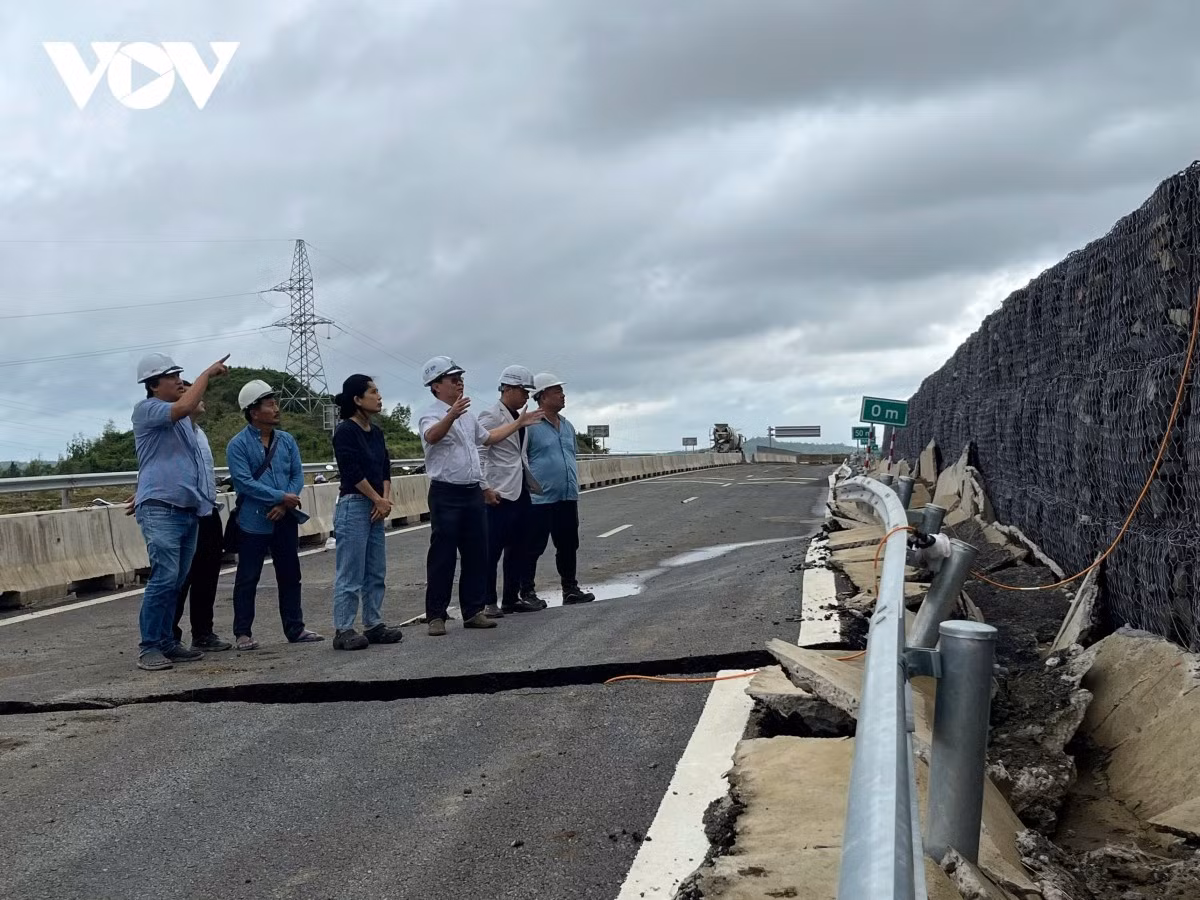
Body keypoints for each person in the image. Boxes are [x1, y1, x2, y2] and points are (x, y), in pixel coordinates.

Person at [418, 356, 544, 636]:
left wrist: (519, 423)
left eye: (461, 378)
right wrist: (451, 415)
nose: (459, 383)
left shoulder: (468, 416)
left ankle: (473, 611)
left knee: (476, 554)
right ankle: (436, 616)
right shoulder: (432, 413)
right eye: (453, 379)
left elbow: (488, 439)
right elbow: (432, 437)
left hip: (471, 491)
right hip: (446, 492)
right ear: (436, 385)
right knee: (443, 556)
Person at [130, 352, 230, 671]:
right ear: (154, 384)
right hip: (162, 509)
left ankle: (168, 643)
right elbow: (185, 407)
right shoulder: (147, 409)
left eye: (181, 376)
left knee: (176, 580)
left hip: (188, 510)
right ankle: (149, 647)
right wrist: (207, 373)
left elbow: (189, 416)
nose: (178, 381)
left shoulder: (184, 424)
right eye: (172, 377)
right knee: (164, 578)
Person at [226, 379, 323, 649]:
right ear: (254, 411)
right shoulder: (237, 445)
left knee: (290, 574)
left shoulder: (287, 440)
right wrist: (280, 497)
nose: (276, 408)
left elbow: (296, 475)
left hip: (285, 519)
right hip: (253, 521)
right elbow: (244, 482)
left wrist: (285, 504)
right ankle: (242, 633)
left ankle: (296, 628)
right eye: (270, 404)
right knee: (248, 576)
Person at [329, 374, 404, 651]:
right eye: (373, 392)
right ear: (357, 399)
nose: (379, 396)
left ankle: (374, 623)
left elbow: (384, 468)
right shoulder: (345, 431)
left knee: (376, 569)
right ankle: (344, 628)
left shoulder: (377, 432)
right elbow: (351, 471)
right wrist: (376, 499)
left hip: (376, 505)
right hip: (354, 504)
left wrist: (384, 500)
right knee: (350, 570)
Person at [171, 380, 232, 652]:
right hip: (185, 514)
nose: (200, 397)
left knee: (208, 576)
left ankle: (203, 633)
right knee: (180, 578)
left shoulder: (201, 434)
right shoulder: (171, 434)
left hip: (208, 512)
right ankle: (169, 635)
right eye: (189, 392)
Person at [478, 365, 543, 616]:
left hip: (520, 489)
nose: (526, 395)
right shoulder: (491, 415)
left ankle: (511, 597)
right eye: (523, 390)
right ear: (507, 388)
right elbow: (480, 451)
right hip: (498, 492)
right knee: (491, 550)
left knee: (518, 547)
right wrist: (485, 487)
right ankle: (488, 600)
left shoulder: (519, 416)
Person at [525, 373, 595, 605]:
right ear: (543, 396)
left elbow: (571, 455)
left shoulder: (567, 426)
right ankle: (527, 592)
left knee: (568, 544)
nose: (563, 395)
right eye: (557, 391)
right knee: (533, 547)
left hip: (566, 496)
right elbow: (522, 458)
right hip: (540, 499)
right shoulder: (530, 425)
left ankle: (570, 588)